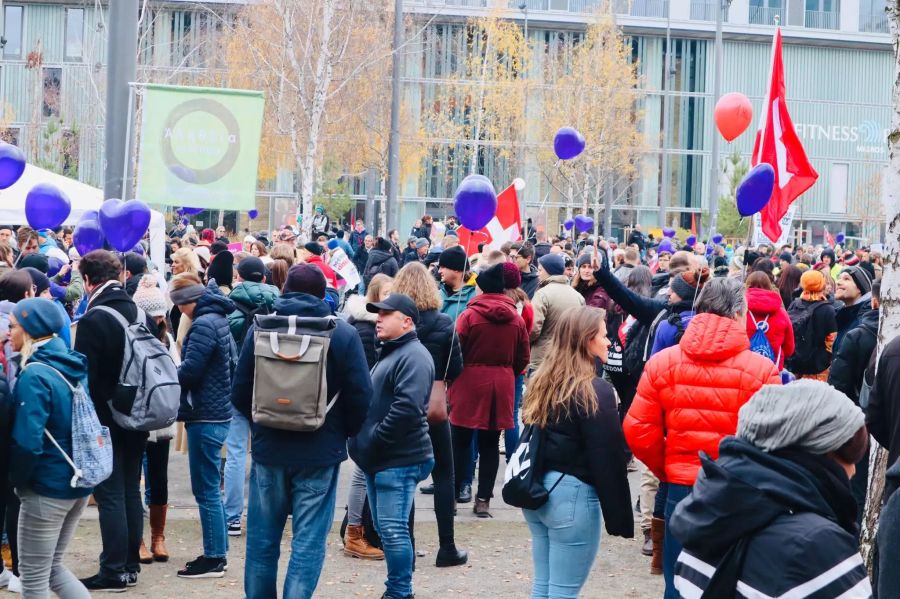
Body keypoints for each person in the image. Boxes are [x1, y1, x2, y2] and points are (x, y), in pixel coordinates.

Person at [623, 277, 781, 599]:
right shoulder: (762, 371)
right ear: (739, 313)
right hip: (739, 491)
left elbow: (637, 429)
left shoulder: (662, 363)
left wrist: (666, 464)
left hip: (682, 490)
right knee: (734, 585)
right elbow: (774, 441)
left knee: (679, 584)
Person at [232, 263, 373, 598]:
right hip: (320, 451)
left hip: (270, 450)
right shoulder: (341, 333)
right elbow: (361, 395)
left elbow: (239, 391)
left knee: (263, 543)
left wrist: (262, 423)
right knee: (307, 544)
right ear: (322, 294)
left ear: (284, 290)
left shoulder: (260, 328)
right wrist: (342, 433)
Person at [670, 381, 872, 598]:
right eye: (851, 453)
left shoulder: (708, 512)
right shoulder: (815, 545)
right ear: (818, 452)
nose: (853, 470)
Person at [521, 306, 633, 598]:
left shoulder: (542, 380)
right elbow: (608, 455)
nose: (609, 342)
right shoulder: (594, 391)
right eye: (604, 336)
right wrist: (619, 516)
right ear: (586, 340)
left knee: (544, 586)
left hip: (537, 490)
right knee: (562, 591)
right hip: (571, 496)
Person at [75, 250, 156, 592]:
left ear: (87, 279)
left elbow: (87, 377)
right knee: (129, 490)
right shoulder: (138, 310)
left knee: (109, 494)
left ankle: (112, 569)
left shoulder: (96, 317)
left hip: (106, 416)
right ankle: (130, 565)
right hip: (139, 412)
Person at [348, 294, 434, 599]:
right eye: (378, 313)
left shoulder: (414, 355)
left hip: (397, 459)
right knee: (387, 529)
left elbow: (407, 409)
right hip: (380, 458)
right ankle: (398, 590)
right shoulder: (394, 351)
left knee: (394, 530)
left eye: (386, 314)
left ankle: (399, 592)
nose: (379, 319)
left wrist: (373, 440)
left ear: (407, 321)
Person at [9, 298, 92, 598]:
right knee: (54, 568)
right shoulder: (70, 363)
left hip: (46, 486)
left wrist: (16, 482)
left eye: (13, 326)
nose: (9, 333)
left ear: (30, 331)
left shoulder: (34, 375)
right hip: (75, 479)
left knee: (33, 578)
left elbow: (27, 441)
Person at [391, 263, 467, 567]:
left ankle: (405, 549)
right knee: (444, 475)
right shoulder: (444, 323)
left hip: (400, 407)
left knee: (404, 477)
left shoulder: (392, 323)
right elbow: (456, 367)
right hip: (434, 407)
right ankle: (446, 546)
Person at [449, 263, 530, 518]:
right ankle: (483, 499)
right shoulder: (516, 319)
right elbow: (522, 358)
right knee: (491, 445)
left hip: (467, 382)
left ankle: (453, 493)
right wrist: (505, 372)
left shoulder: (469, 316)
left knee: (459, 442)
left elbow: (455, 350)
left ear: (482, 288)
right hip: (501, 385)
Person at [169, 274, 236, 578]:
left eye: (179, 304)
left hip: (205, 414)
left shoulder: (203, 324)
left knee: (206, 489)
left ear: (186, 302)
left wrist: (171, 369)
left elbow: (190, 372)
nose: (179, 310)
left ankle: (214, 558)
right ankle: (218, 549)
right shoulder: (217, 318)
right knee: (211, 488)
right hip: (218, 410)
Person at [221, 257, 280, 539]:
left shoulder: (229, 305)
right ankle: (262, 514)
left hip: (237, 385)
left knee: (234, 454)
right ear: (265, 279)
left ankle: (232, 517)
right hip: (270, 386)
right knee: (263, 453)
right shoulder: (278, 307)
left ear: (238, 277)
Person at [132, 276, 177, 565]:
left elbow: (176, 372)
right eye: (152, 312)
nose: (157, 317)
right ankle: (137, 539)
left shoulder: (168, 338)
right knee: (133, 477)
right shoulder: (131, 335)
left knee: (159, 476)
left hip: (160, 416)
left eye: (159, 312)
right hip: (136, 416)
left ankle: (157, 537)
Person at [529, 254, 585, 372]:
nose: (538, 273)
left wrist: (527, 342)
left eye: (540, 270)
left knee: (539, 390)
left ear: (549, 271)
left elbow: (533, 328)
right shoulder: (578, 296)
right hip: (568, 357)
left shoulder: (542, 294)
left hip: (543, 357)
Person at [785, 269, 838, 381]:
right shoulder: (828, 309)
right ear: (821, 285)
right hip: (817, 368)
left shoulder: (795, 303)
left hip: (794, 364)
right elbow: (832, 341)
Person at [744, 271, 794, 370]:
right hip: (772, 369)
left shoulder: (738, 311)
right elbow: (789, 349)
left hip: (744, 368)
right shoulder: (781, 313)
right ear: (769, 286)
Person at [437, 246, 476, 323]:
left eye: (443, 267)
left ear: (456, 269)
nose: (439, 271)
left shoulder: (474, 297)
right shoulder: (439, 293)